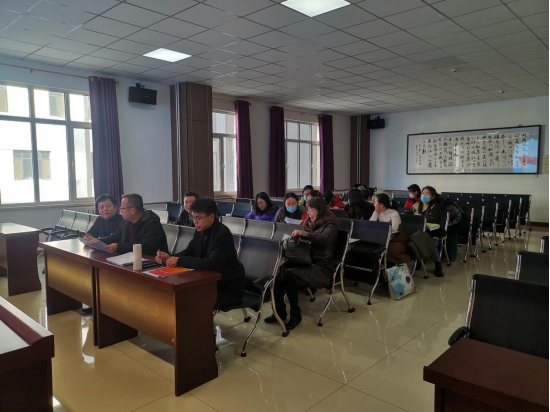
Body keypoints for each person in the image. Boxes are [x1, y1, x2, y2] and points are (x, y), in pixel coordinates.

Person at [156, 198, 246, 310]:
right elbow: (190, 251)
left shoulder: (222, 234)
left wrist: (179, 260)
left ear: (211, 216)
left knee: (189, 299)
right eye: (193, 217)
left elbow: (212, 264)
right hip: (208, 282)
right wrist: (171, 257)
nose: (195, 222)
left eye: (198, 218)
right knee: (176, 295)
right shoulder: (200, 230)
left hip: (227, 288)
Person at [266, 197, 338, 330]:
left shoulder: (331, 223)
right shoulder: (310, 222)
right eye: (308, 209)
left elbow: (325, 238)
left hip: (322, 267)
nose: (309, 212)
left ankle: (296, 315)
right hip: (306, 261)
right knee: (278, 272)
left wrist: (306, 234)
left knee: (288, 275)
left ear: (320, 209)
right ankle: (280, 312)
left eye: (312, 209)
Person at [95, 194, 169, 256]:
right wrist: (95, 242)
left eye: (122, 208)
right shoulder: (127, 222)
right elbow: (115, 237)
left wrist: (118, 247)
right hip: (131, 259)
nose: (120, 211)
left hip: (152, 262)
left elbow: (146, 246)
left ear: (132, 210)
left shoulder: (152, 223)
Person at [370, 193, 410, 265]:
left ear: (381, 205)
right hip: (382, 240)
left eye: (375, 202)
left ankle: (388, 267)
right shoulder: (377, 212)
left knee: (386, 249)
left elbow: (393, 230)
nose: (373, 204)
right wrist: (375, 212)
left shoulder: (393, 213)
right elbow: (370, 225)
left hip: (396, 241)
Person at [416, 187, 445, 277]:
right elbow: (411, 212)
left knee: (430, 242)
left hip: (434, 231)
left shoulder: (436, 206)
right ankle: (419, 260)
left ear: (433, 196)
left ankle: (438, 264)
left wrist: (420, 217)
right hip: (421, 229)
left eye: (427, 193)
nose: (424, 195)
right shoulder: (420, 204)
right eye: (423, 193)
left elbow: (432, 219)